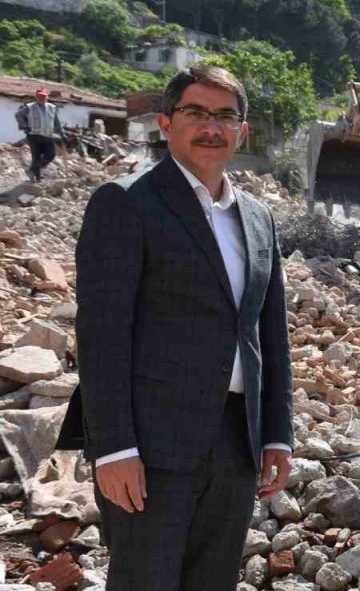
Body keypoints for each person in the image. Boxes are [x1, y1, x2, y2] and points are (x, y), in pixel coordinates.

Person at [55, 64, 294, 590]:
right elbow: (102, 336)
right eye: (196, 112)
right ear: (166, 123)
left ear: (242, 131)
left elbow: (269, 334)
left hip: (235, 444)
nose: (212, 126)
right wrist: (114, 449)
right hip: (151, 445)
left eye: (225, 116)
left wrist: (278, 433)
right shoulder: (126, 203)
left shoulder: (258, 218)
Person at [14, 87, 62, 182]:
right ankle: (37, 178)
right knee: (36, 157)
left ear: (47, 97)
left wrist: (61, 131)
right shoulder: (30, 107)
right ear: (36, 97)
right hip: (34, 136)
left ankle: (32, 170)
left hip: (48, 135)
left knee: (51, 154)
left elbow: (56, 121)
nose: (42, 98)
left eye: (44, 96)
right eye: (40, 96)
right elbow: (18, 115)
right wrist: (24, 126)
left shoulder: (52, 107)